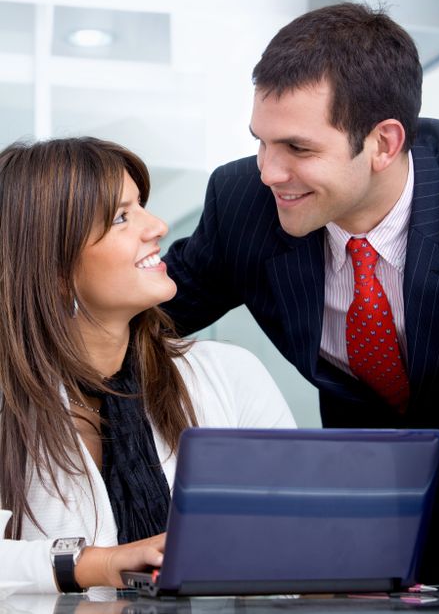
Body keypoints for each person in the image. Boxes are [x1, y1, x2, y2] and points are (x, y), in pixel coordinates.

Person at [162, 2, 439, 582]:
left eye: (298, 148)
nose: (269, 171)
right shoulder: (244, 201)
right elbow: (143, 315)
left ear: (384, 143)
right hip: (366, 518)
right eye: (261, 142)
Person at [0, 137, 295, 593]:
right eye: (122, 217)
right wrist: (95, 564)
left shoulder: (229, 375)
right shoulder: (9, 400)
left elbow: (300, 533)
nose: (156, 226)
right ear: (55, 270)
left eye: (142, 206)